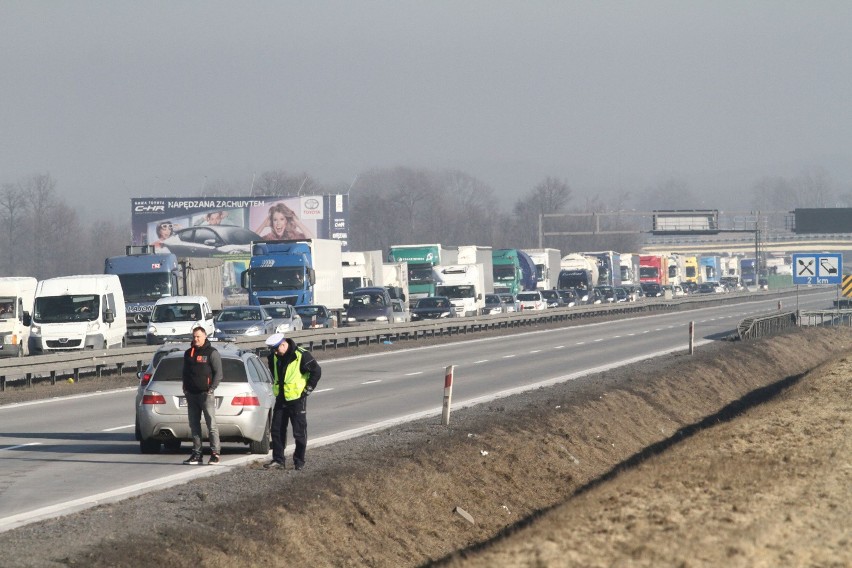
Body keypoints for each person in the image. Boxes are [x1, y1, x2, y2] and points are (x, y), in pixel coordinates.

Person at [263, 332, 321, 470]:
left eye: (277, 349)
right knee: (276, 430)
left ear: (284, 344)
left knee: (299, 432)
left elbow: (316, 371)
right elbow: (274, 374)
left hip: (297, 399)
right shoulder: (274, 357)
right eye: (274, 350)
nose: (276, 353)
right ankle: (278, 460)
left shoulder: (301, 355)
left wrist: (307, 390)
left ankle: (299, 461)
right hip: (281, 398)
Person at [181, 326, 223, 465]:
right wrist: (185, 388)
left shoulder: (212, 352)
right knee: (194, 425)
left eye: (198, 336)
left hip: (206, 394)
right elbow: (185, 372)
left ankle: (215, 453)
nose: (196, 339)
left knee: (211, 425)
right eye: (194, 337)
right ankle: (197, 454)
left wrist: (211, 389)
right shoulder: (188, 353)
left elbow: (219, 373)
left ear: (205, 336)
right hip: (191, 394)